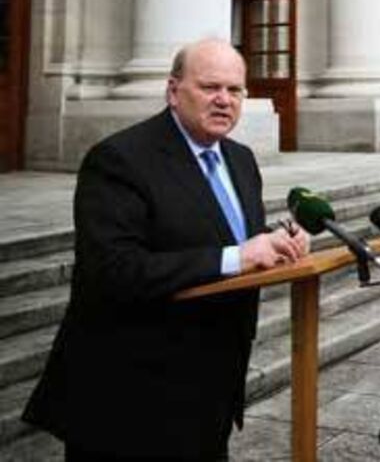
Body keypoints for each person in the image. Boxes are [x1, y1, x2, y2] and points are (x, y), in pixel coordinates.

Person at [24, 38, 311, 459]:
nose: (224, 100)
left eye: (234, 90)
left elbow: (216, 232)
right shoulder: (118, 159)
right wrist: (240, 256)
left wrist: (278, 239)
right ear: (173, 91)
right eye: (210, 87)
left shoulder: (241, 159)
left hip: (211, 389)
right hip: (127, 400)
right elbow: (114, 271)